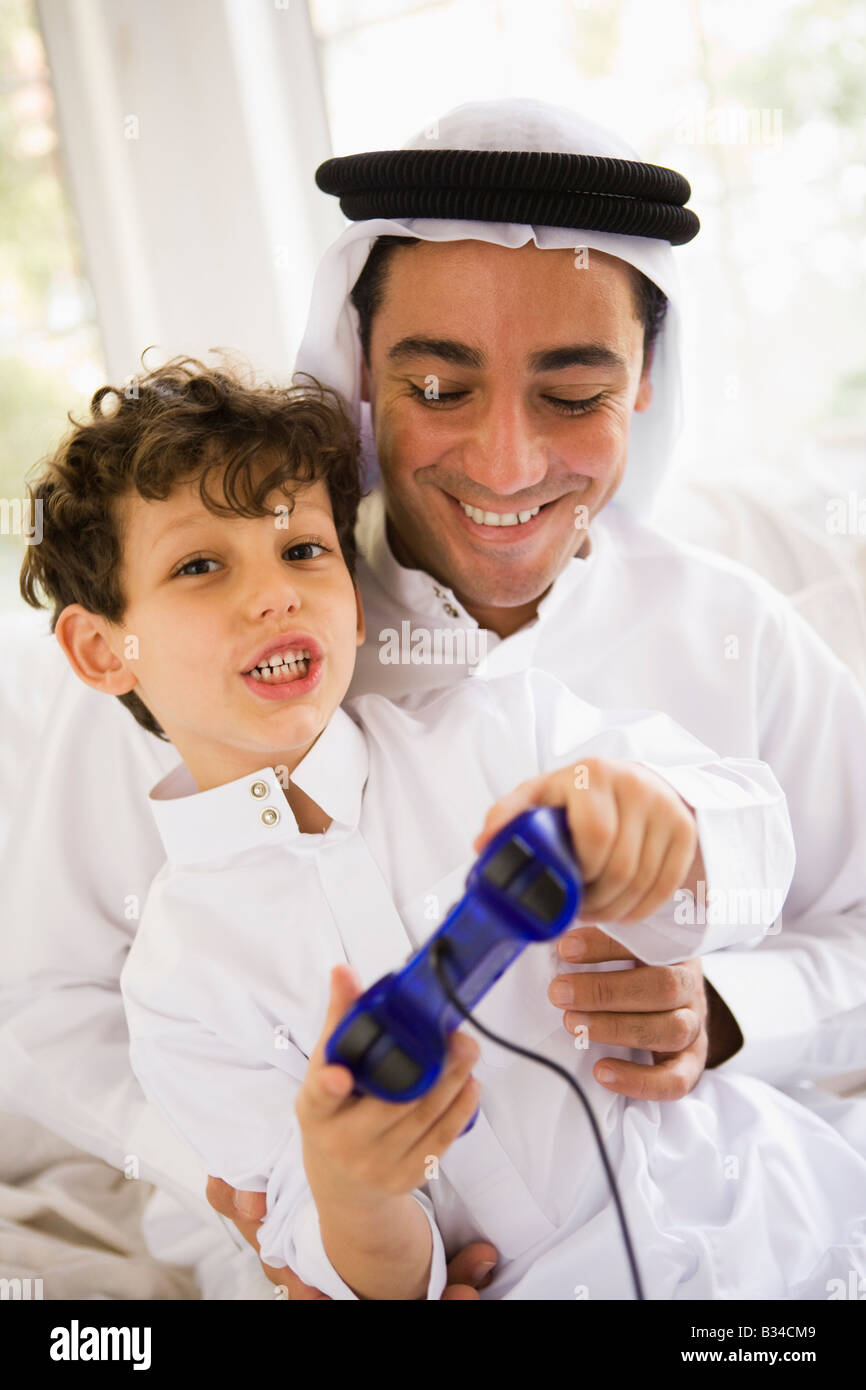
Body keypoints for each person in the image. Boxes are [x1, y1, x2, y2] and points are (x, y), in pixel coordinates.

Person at [2, 97, 865, 1299]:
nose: (506, 464)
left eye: (571, 396)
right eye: (440, 388)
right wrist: (267, 1200)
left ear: (644, 386)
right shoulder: (221, 653)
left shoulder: (725, 635)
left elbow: (821, 895)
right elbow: (53, 1003)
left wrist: (724, 1005)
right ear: (363, 374)